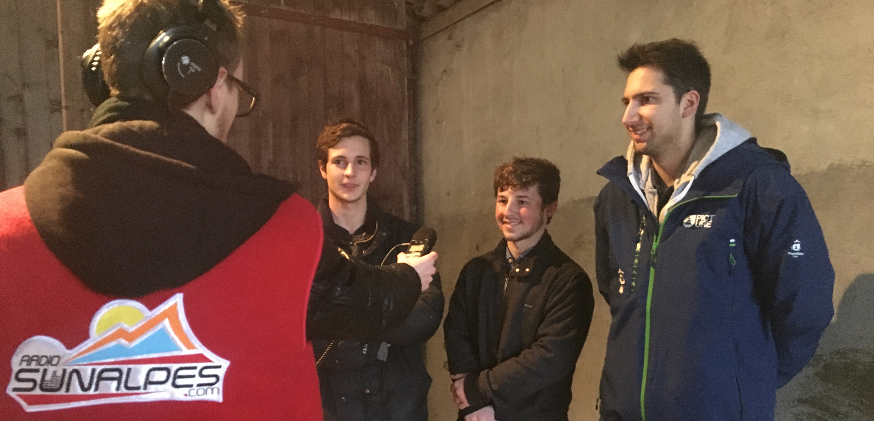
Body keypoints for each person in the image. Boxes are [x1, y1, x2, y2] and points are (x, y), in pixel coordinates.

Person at [0, 0, 435, 419]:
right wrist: (410, 276)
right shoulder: (283, 228)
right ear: (210, 84)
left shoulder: (6, 227)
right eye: (236, 89)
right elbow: (370, 303)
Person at [593, 38, 835, 420]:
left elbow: (805, 307)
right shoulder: (616, 197)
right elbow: (619, 296)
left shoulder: (758, 185)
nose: (629, 116)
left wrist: (744, 385)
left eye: (647, 100)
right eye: (627, 102)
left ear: (689, 103)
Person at [311, 118, 444, 421]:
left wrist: (339, 317)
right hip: (327, 408)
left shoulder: (406, 238)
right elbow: (300, 319)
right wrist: (388, 304)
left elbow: (424, 318)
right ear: (322, 168)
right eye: (339, 161)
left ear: (373, 172)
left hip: (397, 408)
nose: (350, 172)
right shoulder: (305, 241)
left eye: (361, 162)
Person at [444, 157, 594, 421]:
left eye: (522, 202)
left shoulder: (568, 280)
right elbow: (456, 334)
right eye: (502, 200)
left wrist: (477, 390)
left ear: (550, 208)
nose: (508, 212)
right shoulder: (476, 271)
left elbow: (550, 357)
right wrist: (473, 404)